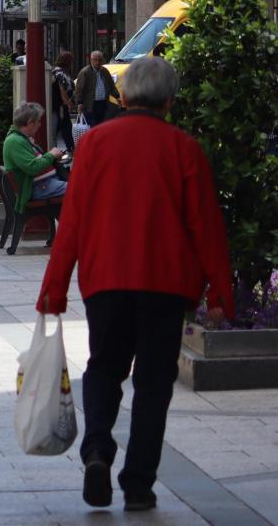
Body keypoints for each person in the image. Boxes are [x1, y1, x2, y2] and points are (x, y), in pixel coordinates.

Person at [36, 57, 233, 513]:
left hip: (106, 278)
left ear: (122, 98)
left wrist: (54, 287)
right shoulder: (184, 149)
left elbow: (74, 221)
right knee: (153, 382)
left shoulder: (95, 145)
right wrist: (221, 292)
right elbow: (206, 226)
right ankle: (139, 483)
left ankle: (98, 451)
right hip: (166, 283)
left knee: (104, 367)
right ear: (169, 99)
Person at [4, 101, 69, 209]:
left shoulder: (21, 138)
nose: (40, 124)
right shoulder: (15, 141)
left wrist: (52, 155)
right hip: (36, 188)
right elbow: (33, 167)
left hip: (41, 185)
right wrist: (51, 155)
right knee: (80, 189)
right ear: (30, 122)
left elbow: (33, 162)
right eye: (38, 121)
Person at [75, 50, 120, 127]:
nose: (97, 62)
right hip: (90, 104)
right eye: (95, 60)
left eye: (100, 60)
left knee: (102, 125)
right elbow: (79, 89)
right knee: (92, 125)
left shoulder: (104, 71)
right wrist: (79, 103)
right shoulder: (85, 72)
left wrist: (117, 96)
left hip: (103, 103)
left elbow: (111, 85)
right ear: (91, 60)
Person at [52, 51, 77, 153]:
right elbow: (62, 90)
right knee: (65, 127)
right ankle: (70, 149)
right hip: (61, 105)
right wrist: (69, 103)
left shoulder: (57, 71)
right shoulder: (61, 73)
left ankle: (69, 149)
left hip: (60, 105)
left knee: (62, 127)